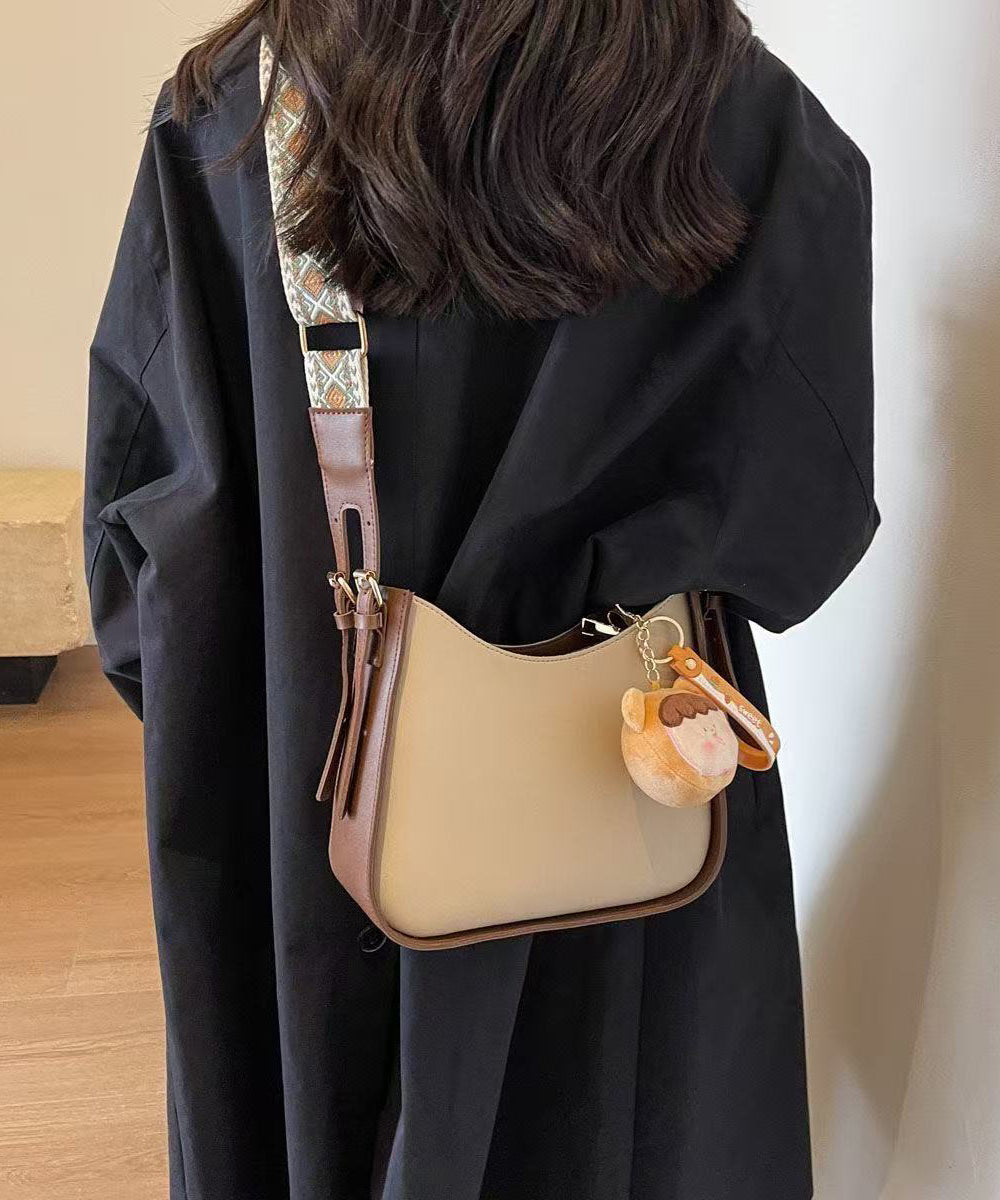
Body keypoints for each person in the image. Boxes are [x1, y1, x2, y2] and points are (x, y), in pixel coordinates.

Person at [85, 3, 878, 1197]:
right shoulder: (744, 111)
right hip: (623, 794)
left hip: (306, 790)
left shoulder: (241, 112)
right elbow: (804, 530)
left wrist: (277, 704)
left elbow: (139, 550)